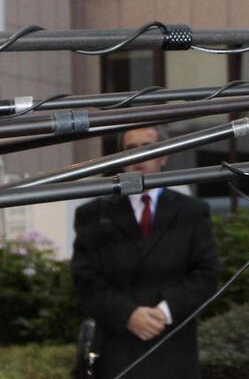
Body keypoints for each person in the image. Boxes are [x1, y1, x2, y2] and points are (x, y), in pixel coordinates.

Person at [71, 126, 219, 379]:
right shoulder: (92, 214)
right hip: (115, 354)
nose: (138, 156)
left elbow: (207, 274)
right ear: (120, 157)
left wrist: (165, 312)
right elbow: (85, 279)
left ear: (164, 156)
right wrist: (128, 315)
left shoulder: (192, 211)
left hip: (175, 350)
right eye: (130, 149)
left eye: (147, 148)